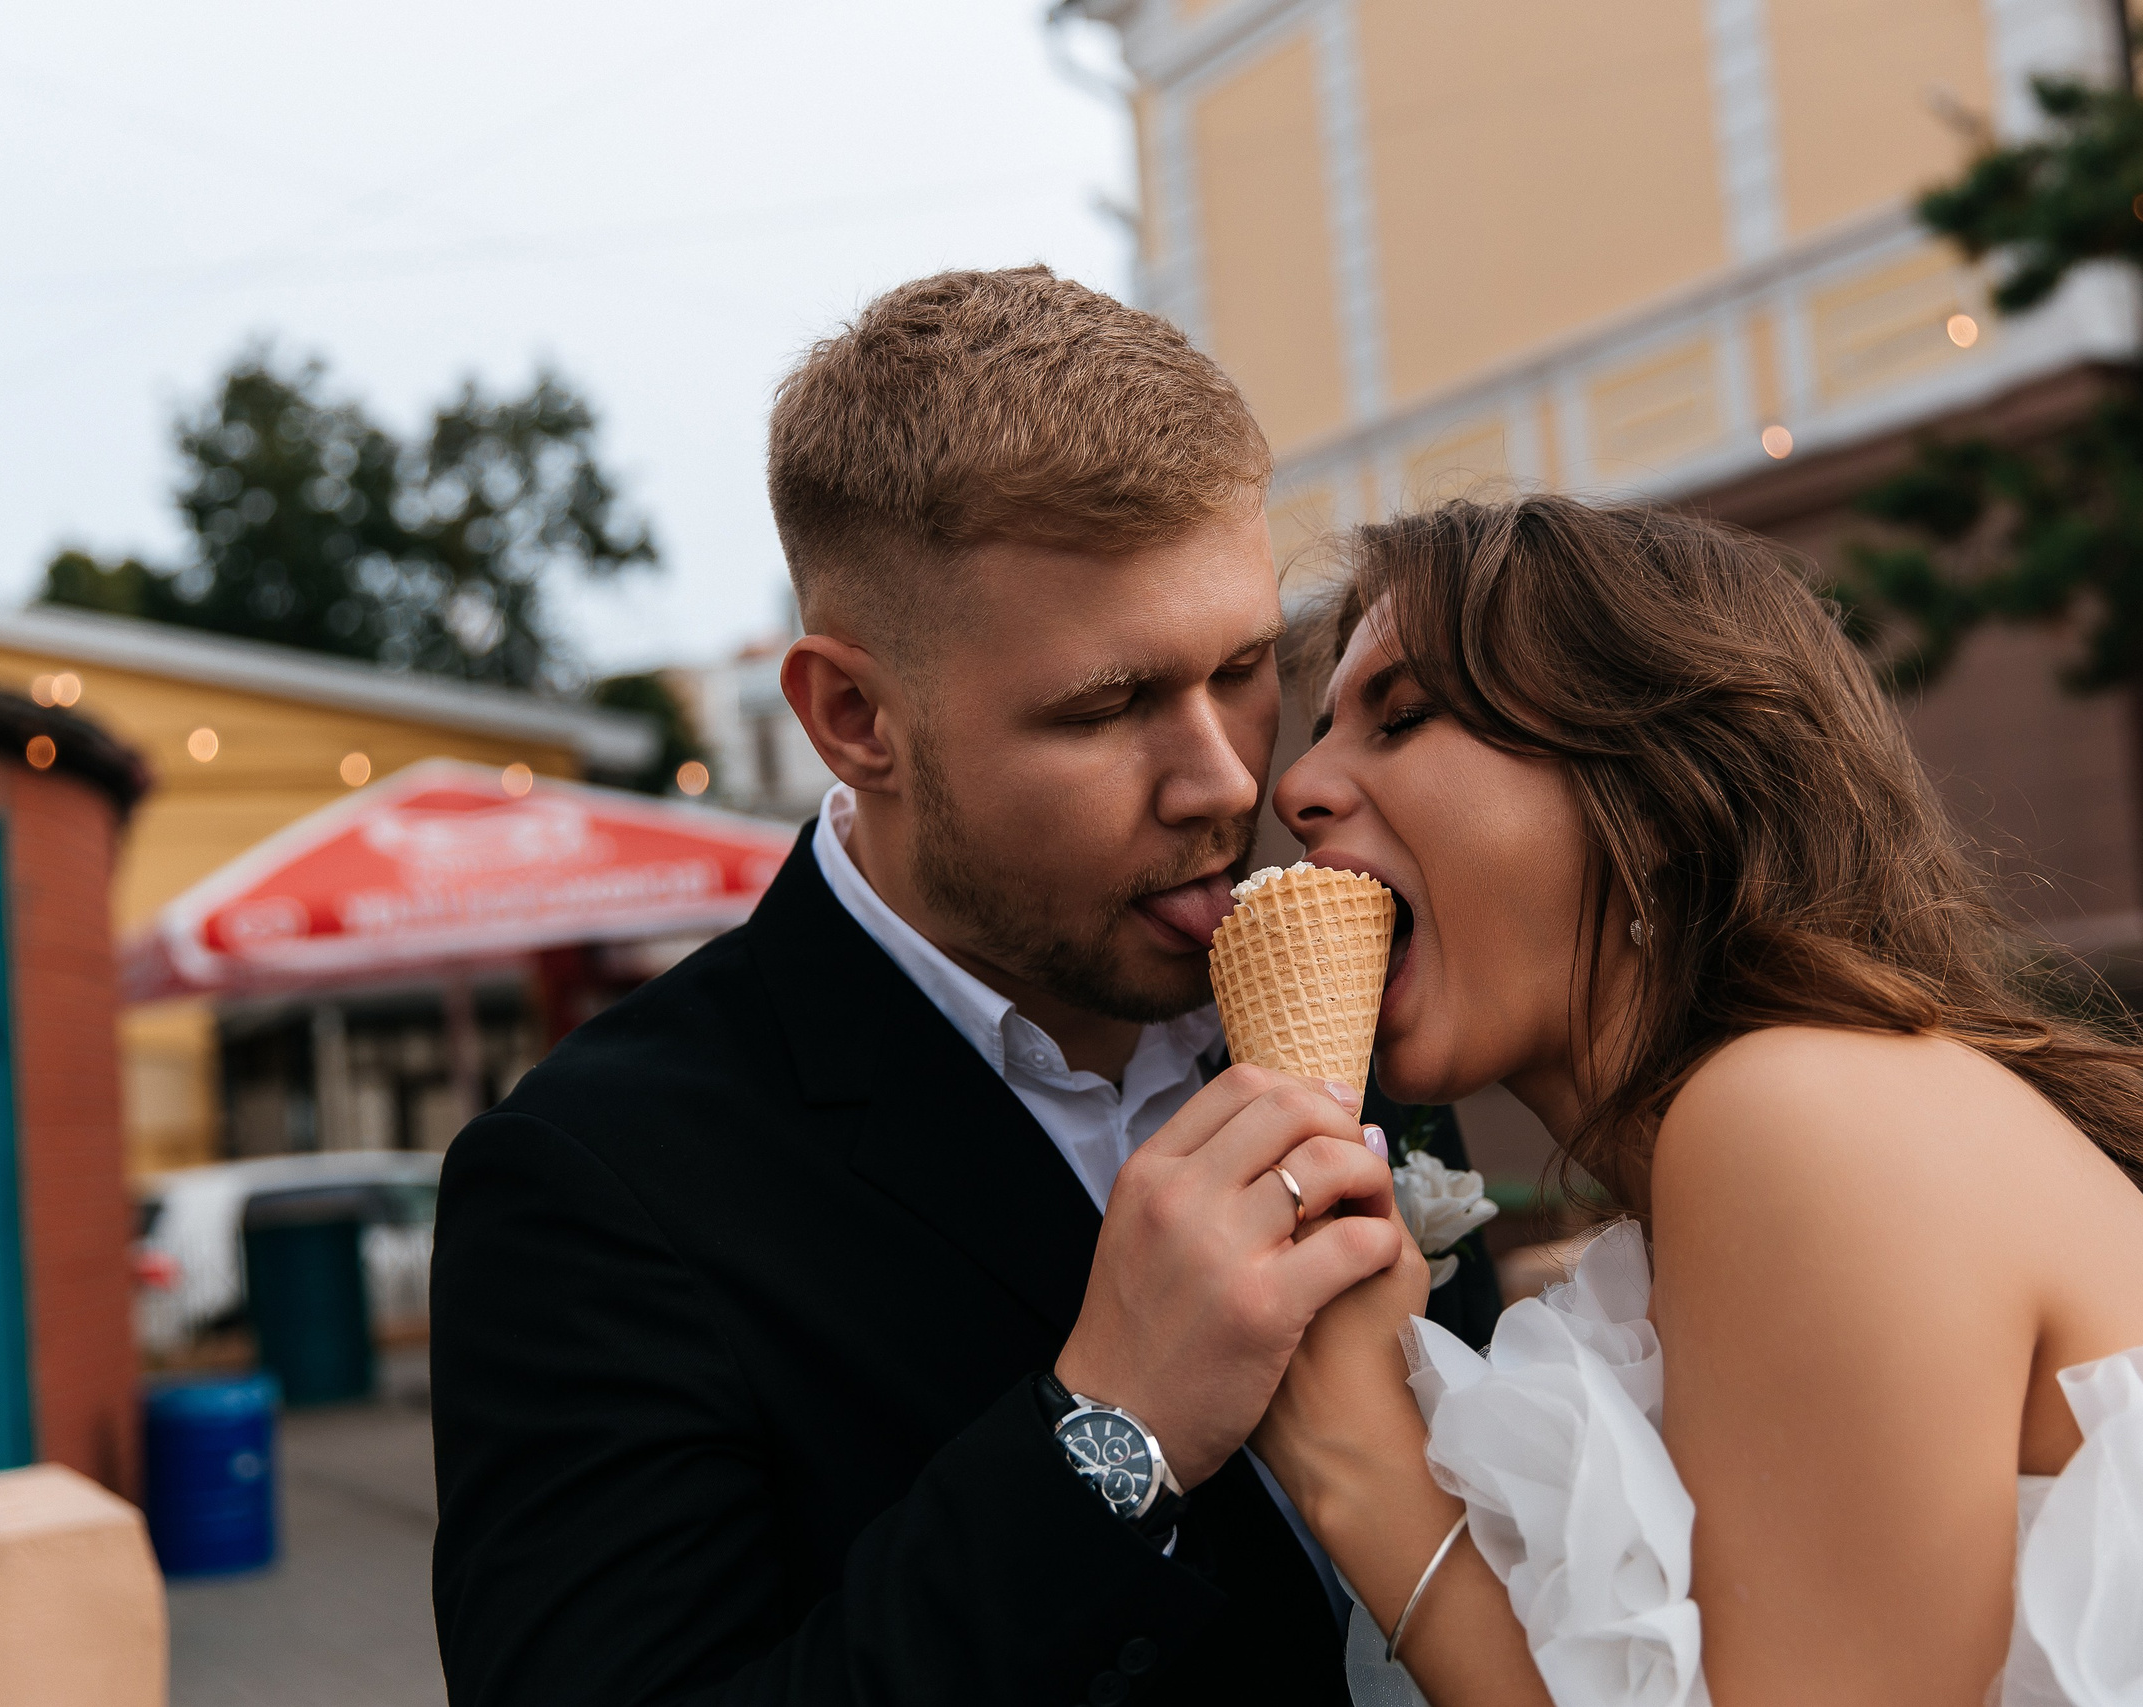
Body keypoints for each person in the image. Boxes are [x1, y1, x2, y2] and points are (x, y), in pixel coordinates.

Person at [429, 266, 1498, 1707]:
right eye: (1105, 706)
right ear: (854, 716)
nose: (1228, 776)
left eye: (1246, 665)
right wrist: (1106, 1434)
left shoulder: (1345, 999)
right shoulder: (599, 1181)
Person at [1243, 495, 2143, 1707]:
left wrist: (1359, 1464)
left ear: (1652, 799)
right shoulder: (1748, 1163)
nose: (1295, 789)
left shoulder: (1801, 1112)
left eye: (1400, 718)